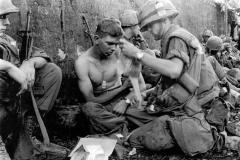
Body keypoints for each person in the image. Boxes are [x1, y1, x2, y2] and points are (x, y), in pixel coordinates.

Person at [119, 0, 235, 156]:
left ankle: (212, 136)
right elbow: (175, 79)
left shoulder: (175, 38)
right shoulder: (175, 36)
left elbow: (174, 70)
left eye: (150, 26)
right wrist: (148, 93)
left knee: (137, 139)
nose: (149, 32)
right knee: (133, 113)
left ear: (164, 20)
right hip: (200, 102)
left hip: (198, 109)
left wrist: (137, 54)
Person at [0, 0, 62, 159]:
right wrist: (9, 67)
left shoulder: (7, 40)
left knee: (51, 72)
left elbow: (41, 55)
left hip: (14, 102)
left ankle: (28, 128)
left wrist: (29, 63)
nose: (7, 22)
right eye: (2, 17)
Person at [75, 18, 154, 134]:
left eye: (117, 44)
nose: (114, 49)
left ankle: (117, 127)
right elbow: (91, 99)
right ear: (97, 39)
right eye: (110, 43)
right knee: (88, 109)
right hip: (101, 105)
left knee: (150, 112)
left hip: (125, 100)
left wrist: (126, 102)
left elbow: (141, 85)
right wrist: (122, 88)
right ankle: (124, 125)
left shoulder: (120, 53)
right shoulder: (82, 63)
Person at [120, 9, 161, 86]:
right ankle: (157, 79)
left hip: (137, 70)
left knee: (154, 53)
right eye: (137, 25)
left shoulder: (132, 38)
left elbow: (144, 49)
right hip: (128, 75)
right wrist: (147, 52)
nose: (139, 28)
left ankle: (157, 78)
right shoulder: (121, 41)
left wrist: (141, 40)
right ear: (131, 27)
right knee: (149, 53)